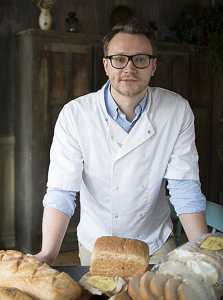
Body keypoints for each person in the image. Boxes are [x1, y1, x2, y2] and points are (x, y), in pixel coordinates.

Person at [34, 19, 208, 266]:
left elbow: (184, 188)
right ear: (106, 65)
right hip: (98, 243)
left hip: (155, 242)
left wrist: (202, 251)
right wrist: (48, 254)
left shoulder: (176, 110)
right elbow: (62, 191)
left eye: (140, 59)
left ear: (153, 66)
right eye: (119, 59)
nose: (129, 68)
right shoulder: (75, 114)